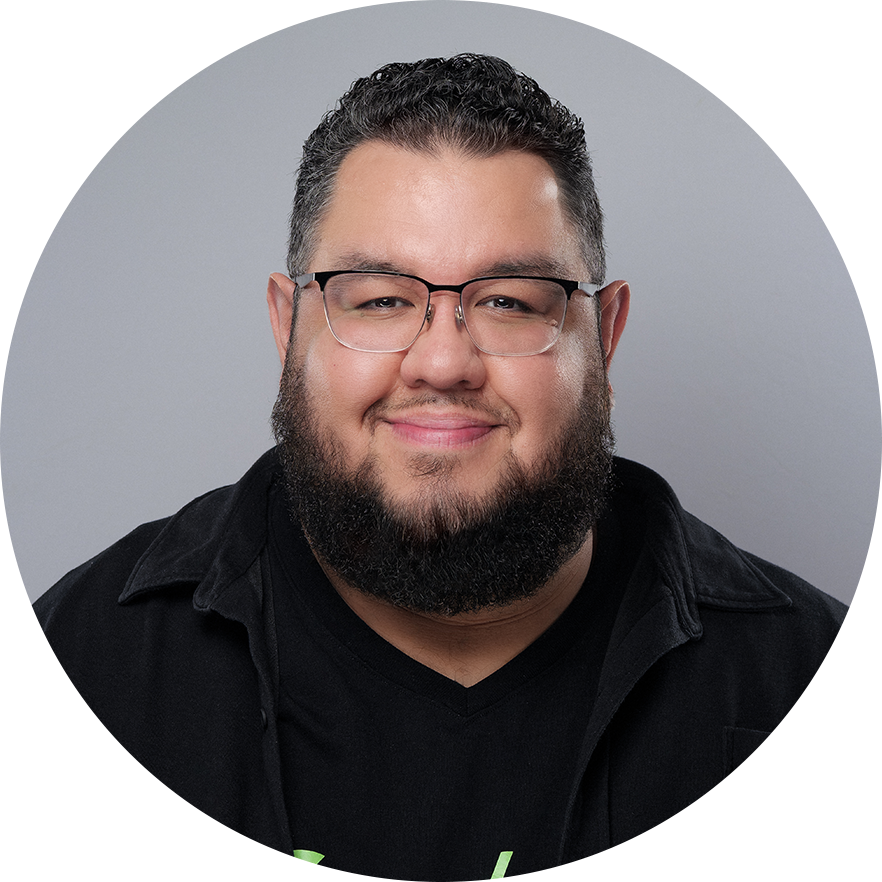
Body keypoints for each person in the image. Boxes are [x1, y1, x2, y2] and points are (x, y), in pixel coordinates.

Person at [1, 54, 881, 882]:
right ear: (287, 325)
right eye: (382, 299)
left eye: (510, 303)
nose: (443, 363)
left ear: (605, 337)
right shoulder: (58, 683)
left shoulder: (842, 699)